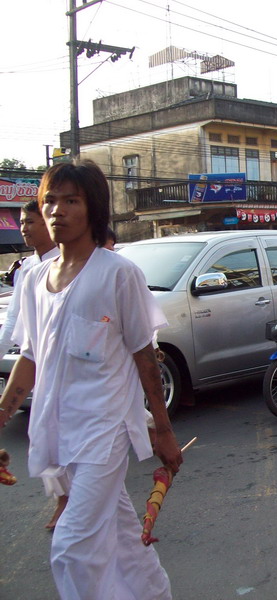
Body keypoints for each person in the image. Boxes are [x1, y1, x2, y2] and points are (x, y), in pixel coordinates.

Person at [0, 160, 181, 600]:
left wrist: (163, 428)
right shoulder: (33, 279)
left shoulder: (118, 274)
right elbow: (30, 358)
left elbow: (144, 356)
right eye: (50, 201)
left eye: (71, 201)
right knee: (121, 534)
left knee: (72, 548)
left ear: (92, 209)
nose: (56, 210)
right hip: (59, 430)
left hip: (106, 431)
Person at [0, 200, 64, 528]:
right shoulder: (29, 270)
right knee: (46, 441)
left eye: (31, 221)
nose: (24, 227)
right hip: (45, 376)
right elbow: (22, 334)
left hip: (89, 389)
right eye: (22, 222)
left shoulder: (98, 267)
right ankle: (65, 502)